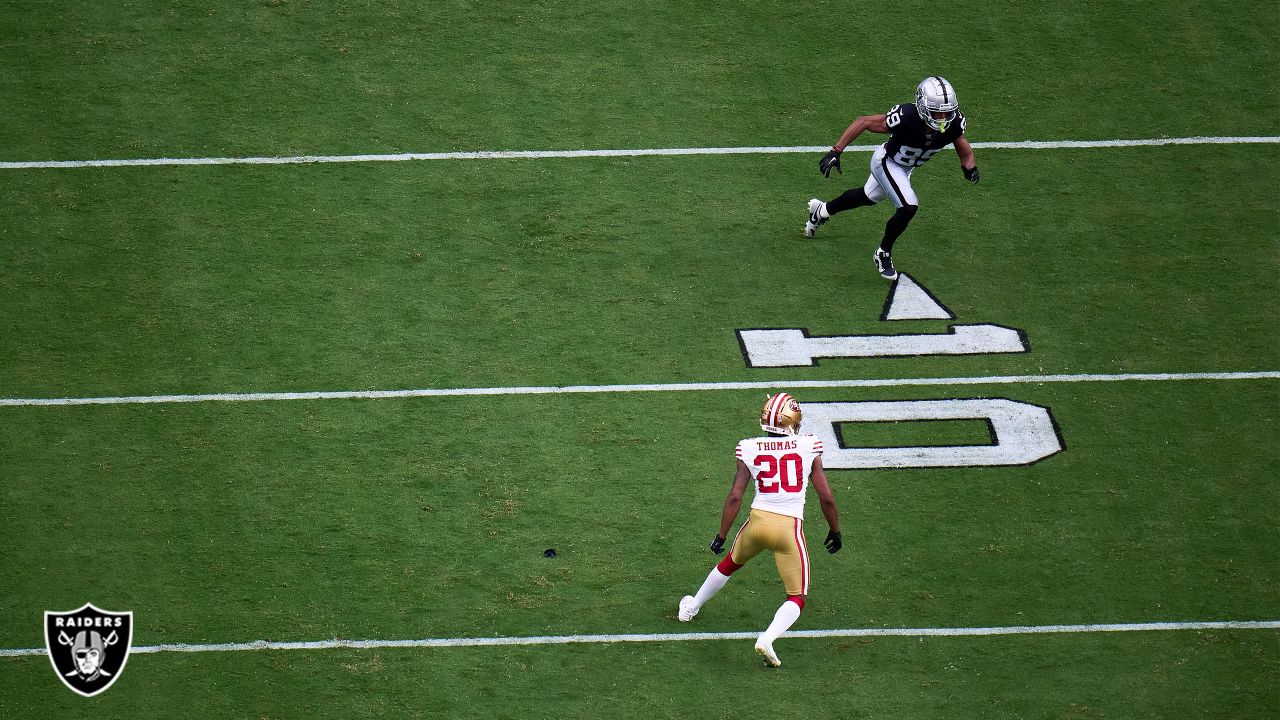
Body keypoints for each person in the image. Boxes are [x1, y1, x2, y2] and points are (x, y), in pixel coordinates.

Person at [677, 392, 842, 667]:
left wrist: (721, 535)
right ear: (793, 421)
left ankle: (691, 607)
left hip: (758, 522)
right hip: (788, 528)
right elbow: (825, 496)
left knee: (729, 563)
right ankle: (767, 638)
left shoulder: (749, 447)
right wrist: (835, 530)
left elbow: (735, 495)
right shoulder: (809, 445)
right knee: (797, 596)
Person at [804, 76, 980, 280]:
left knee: (867, 196)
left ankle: (822, 210)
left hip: (905, 168)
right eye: (937, 111)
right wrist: (836, 151)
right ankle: (883, 253)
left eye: (947, 112)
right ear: (922, 106)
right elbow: (865, 121)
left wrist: (969, 166)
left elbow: (963, 147)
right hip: (887, 161)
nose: (942, 117)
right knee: (908, 206)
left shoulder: (954, 123)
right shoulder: (906, 116)